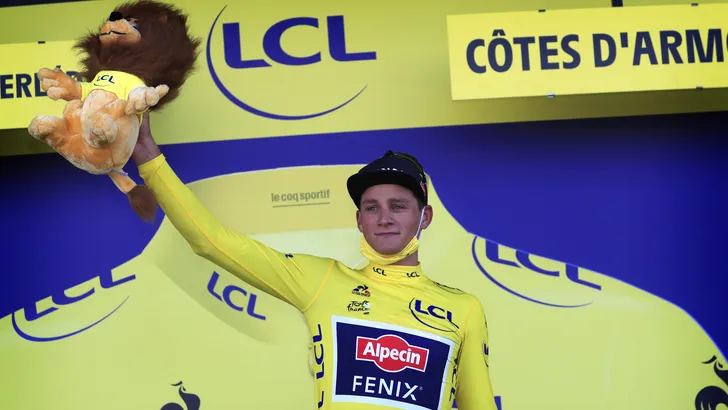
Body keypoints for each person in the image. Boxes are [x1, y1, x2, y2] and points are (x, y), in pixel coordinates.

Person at [131, 111, 498, 410]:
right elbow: (211, 241)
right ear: (359, 220)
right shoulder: (322, 281)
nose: (384, 218)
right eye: (372, 208)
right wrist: (148, 156)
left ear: (426, 216)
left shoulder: (463, 309)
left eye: (398, 206)